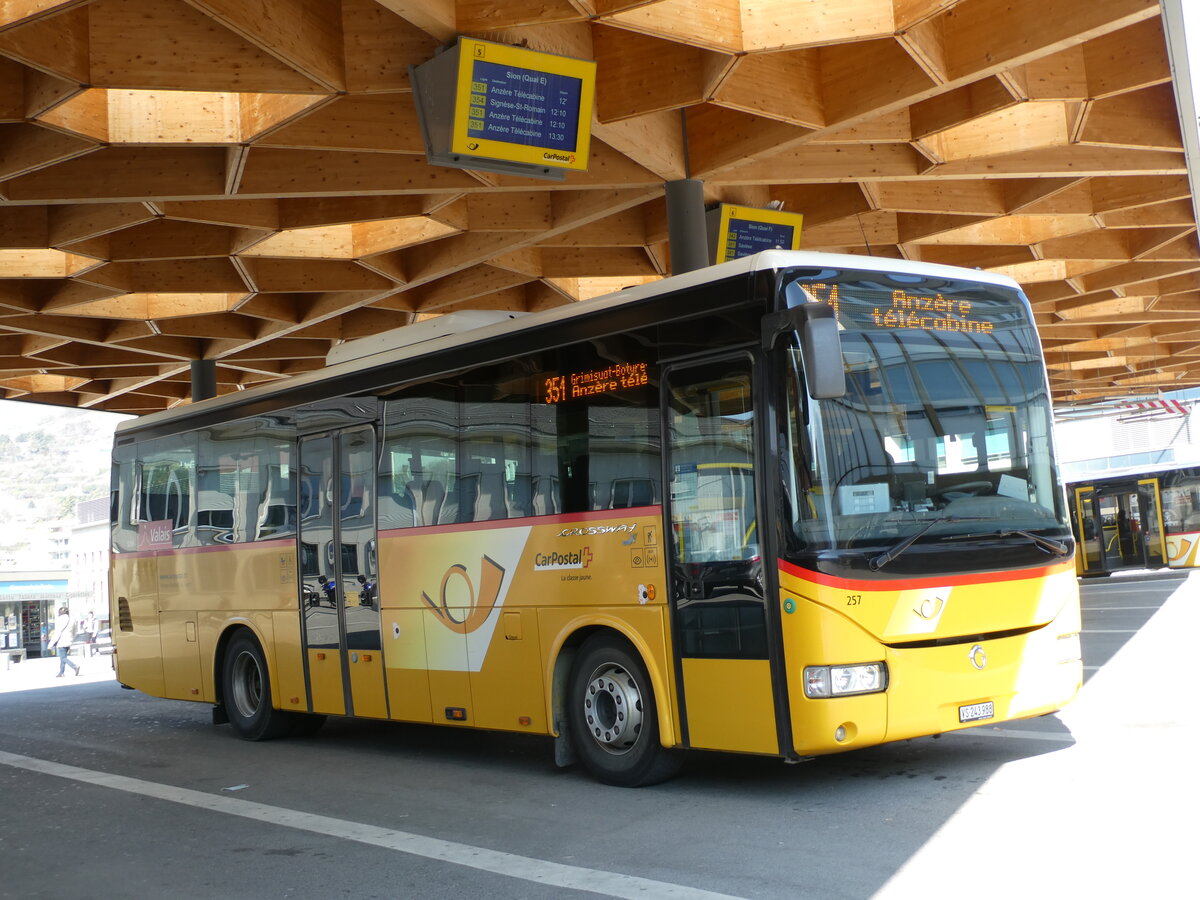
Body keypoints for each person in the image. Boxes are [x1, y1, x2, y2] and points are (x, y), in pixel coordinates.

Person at [48, 606, 81, 677]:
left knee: (63, 657)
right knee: (63, 657)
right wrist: (72, 638)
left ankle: (75, 666)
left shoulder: (60, 620)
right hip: (69, 641)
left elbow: (57, 633)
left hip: (62, 641)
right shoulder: (72, 619)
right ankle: (61, 672)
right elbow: (75, 631)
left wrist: (50, 644)